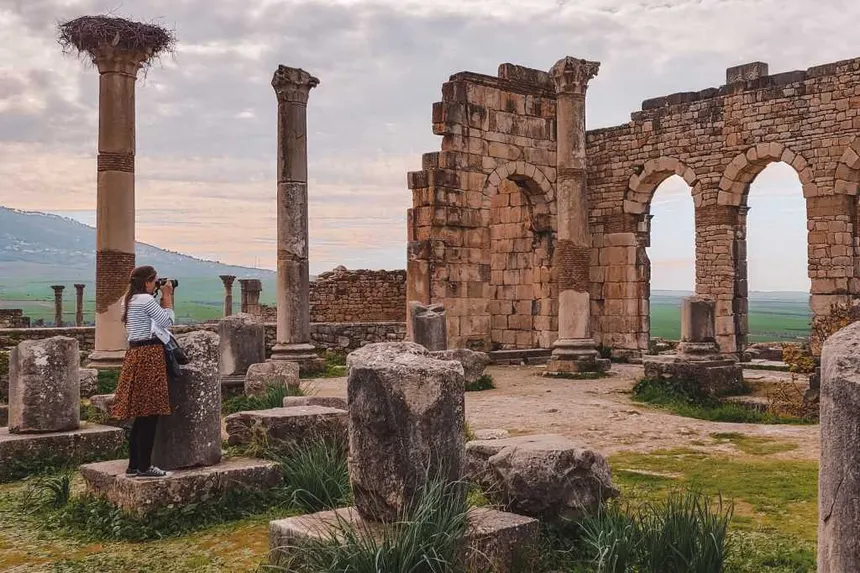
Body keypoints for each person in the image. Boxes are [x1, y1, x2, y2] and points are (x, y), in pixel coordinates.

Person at [111, 265, 175, 478]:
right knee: (151, 413)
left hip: (135, 355)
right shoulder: (146, 300)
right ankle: (145, 467)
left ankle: (134, 465)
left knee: (141, 413)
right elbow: (167, 322)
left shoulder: (128, 300)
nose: (157, 285)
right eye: (155, 281)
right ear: (147, 282)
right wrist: (167, 297)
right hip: (149, 356)